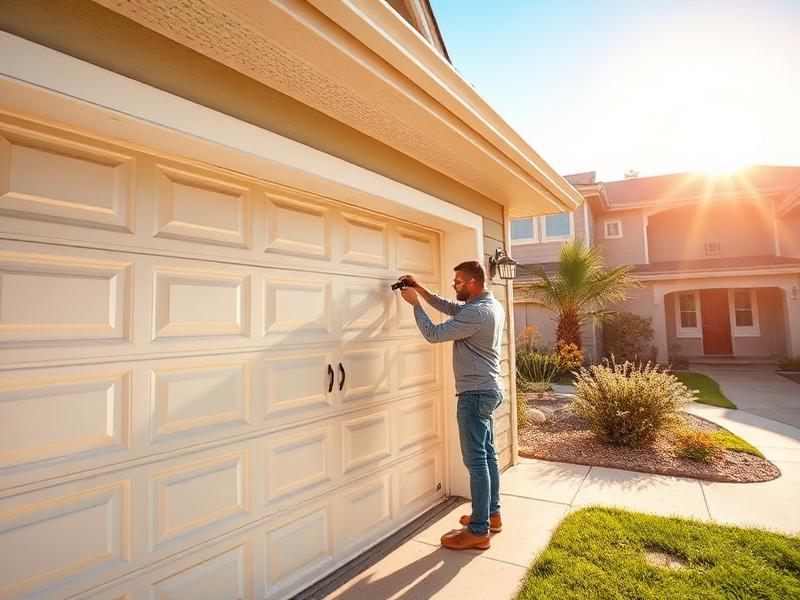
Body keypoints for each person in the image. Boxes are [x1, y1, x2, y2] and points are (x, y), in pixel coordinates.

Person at [397, 260, 505, 550]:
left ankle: (479, 531)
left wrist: (415, 305)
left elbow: (434, 333)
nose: (453, 286)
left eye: (457, 282)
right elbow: (449, 307)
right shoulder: (488, 305)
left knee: (476, 462)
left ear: (471, 283)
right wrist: (420, 288)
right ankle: (491, 515)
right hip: (488, 389)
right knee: (489, 456)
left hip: (474, 394)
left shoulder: (477, 313)